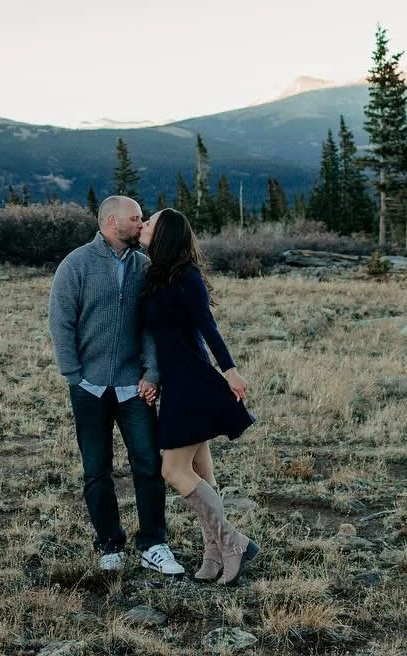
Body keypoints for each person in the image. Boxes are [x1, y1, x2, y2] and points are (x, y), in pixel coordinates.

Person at [49, 196, 184, 575]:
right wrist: (74, 375)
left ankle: (154, 545)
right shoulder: (76, 265)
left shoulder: (146, 268)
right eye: (135, 218)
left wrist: (152, 373)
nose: (142, 225)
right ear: (112, 222)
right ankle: (109, 544)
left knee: (148, 465)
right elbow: (61, 322)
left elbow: (151, 329)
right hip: (88, 387)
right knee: (96, 469)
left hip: (134, 388)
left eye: (142, 219)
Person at [138, 208, 258, 585]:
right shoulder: (156, 275)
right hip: (176, 383)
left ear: (165, 234)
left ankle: (232, 542)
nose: (142, 226)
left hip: (191, 383)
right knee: (202, 472)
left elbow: (208, 325)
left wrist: (231, 369)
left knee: (172, 470)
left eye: (150, 223)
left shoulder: (186, 276)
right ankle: (214, 551)